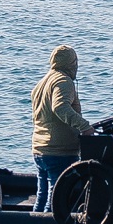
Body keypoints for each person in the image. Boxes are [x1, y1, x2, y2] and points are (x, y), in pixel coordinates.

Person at [30, 45, 90, 213]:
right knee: (56, 195)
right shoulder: (63, 81)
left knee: (42, 195)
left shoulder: (42, 82)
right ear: (71, 63)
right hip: (59, 150)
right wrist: (85, 127)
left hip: (40, 148)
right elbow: (60, 108)